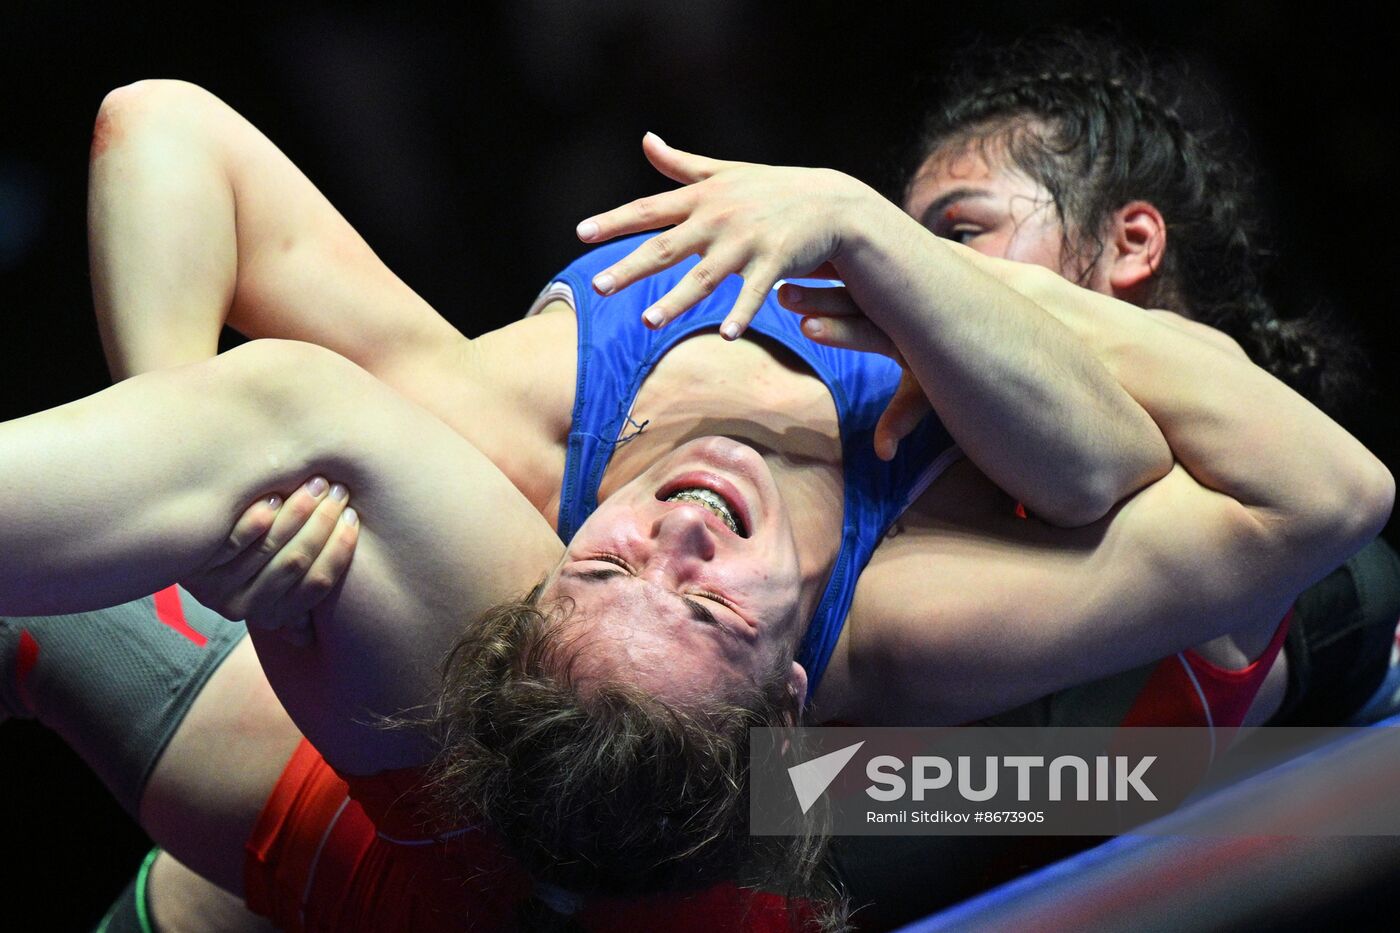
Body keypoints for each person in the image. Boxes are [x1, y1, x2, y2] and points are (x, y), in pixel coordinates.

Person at [6, 35, 1393, 928]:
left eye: (957, 233)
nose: (887, 275)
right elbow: (162, 126)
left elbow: (1264, 486)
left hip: (704, 809)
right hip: (455, 797)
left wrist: (877, 237)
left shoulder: (1049, 509)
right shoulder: (575, 412)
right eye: (899, 234)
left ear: (1127, 255)